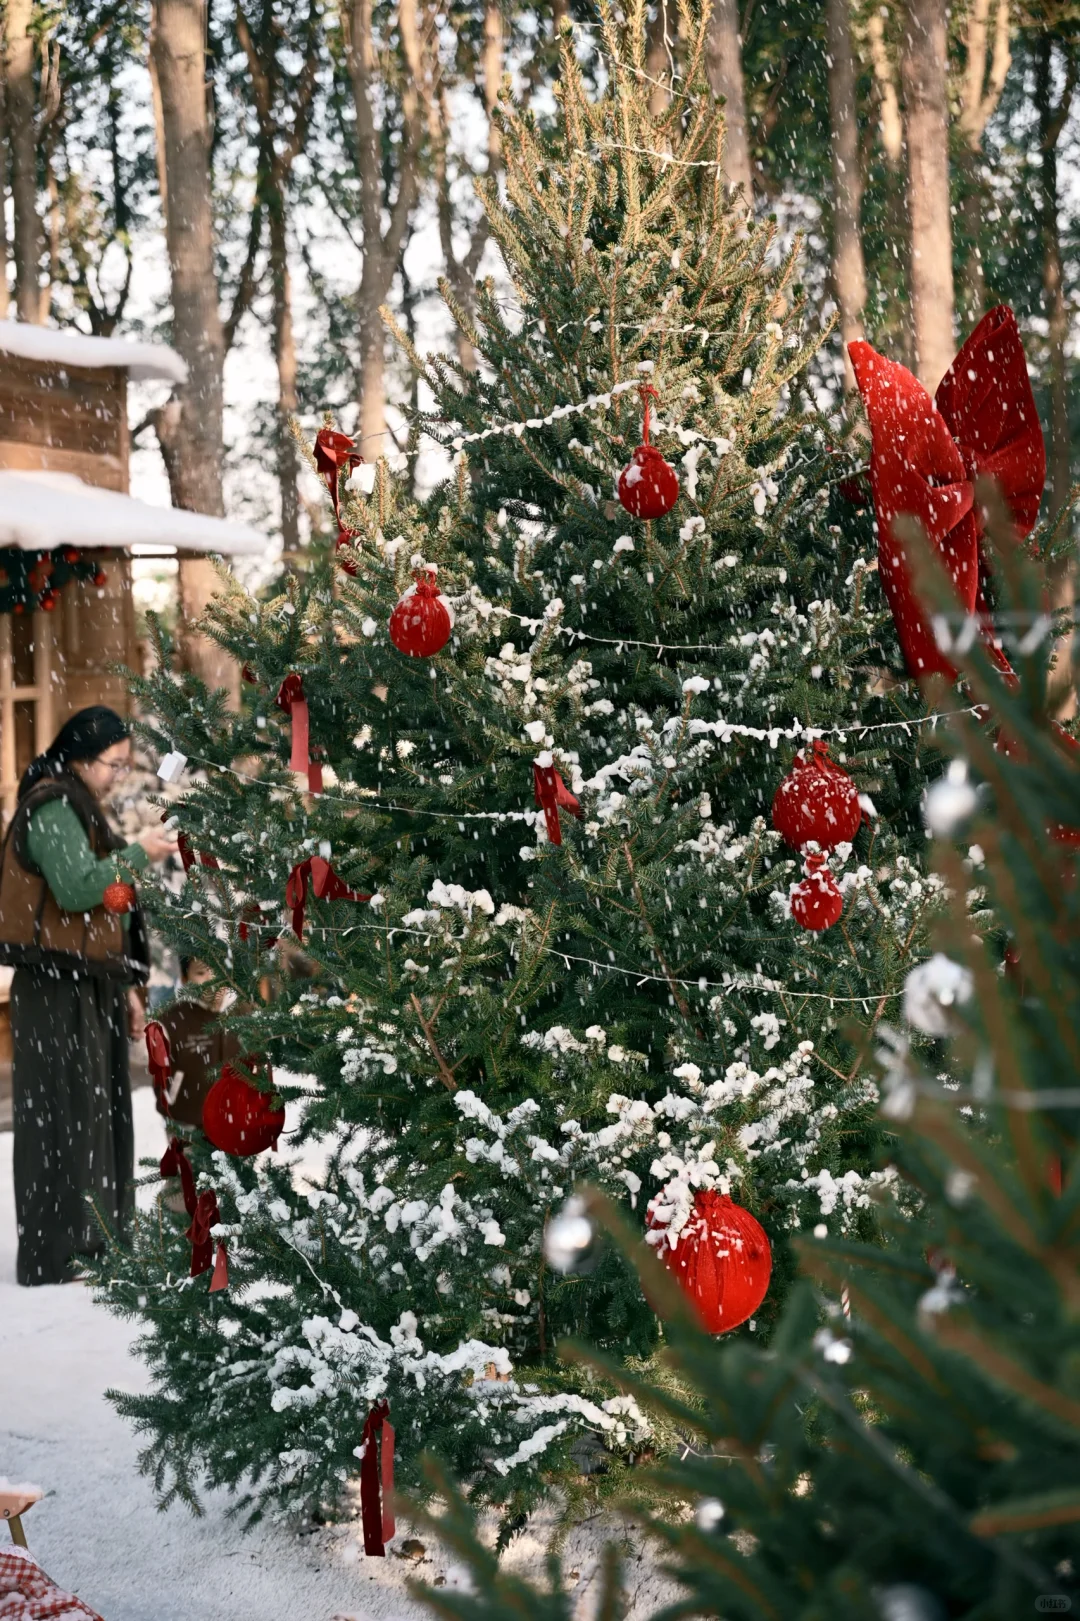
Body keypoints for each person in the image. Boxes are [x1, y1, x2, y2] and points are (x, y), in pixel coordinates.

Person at [0, 706, 177, 1285]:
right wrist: (138, 852)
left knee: (96, 1114)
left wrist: (126, 984)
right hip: (54, 986)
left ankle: (96, 1243)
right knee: (61, 1114)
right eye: (113, 763)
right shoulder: (53, 805)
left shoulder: (77, 802)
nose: (117, 775)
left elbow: (105, 913)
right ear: (80, 754)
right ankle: (58, 1253)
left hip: (86, 981)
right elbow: (78, 891)